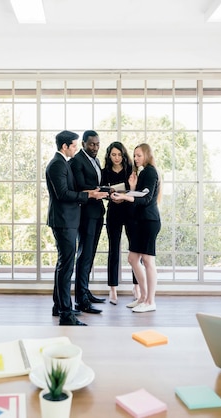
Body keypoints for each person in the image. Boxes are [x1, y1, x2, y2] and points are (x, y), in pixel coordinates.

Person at [46, 130, 107, 325]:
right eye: (74, 145)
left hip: (68, 220)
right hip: (64, 221)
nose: (76, 148)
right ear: (65, 146)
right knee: (66, 268)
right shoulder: (57, 164)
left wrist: (89, 192)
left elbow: (70, 190)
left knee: (63, 266)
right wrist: (89, 196)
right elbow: (63, 194)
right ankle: (66, 314)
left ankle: (59, 307)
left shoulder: (62, 163)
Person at [110, 143, 161, 313]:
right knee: (133, 259)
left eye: (139, 155)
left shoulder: (151, 171)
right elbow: (139, 195)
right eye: (134, 155)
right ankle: (142, 297)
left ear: (147, 155)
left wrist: (125, 196)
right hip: (141, 221)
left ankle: (150, 301)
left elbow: (145, 198)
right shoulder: (143, 172)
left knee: (147, 261)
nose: (136, 158)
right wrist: (131, 189)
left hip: (149, 221)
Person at [69, 130, 107, 314]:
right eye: (92, 144)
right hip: (85, 214)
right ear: (83, 143)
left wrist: (107, 190)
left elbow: (95, 183)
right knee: (84, 255)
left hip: (97, 212)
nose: (95, 147)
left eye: (98, 144)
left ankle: (85, 291)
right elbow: (80, 186)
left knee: (90, 254)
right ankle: (81, 300)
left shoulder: (96, 160)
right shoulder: (77, 161)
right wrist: (99, 191)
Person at [100, 141, 138, 305]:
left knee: (135, 251)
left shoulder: (131, 170)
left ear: (124, 155)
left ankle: (136, 286)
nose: (116, 158)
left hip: (130, 212)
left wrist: (129, 189)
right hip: (113, 212)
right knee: (113, 250)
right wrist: (109, 195)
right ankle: (113, 288)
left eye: (119, 154)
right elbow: (101, 191)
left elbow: (136, 192)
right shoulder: (104, 172)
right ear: (109, 155)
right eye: (113, 154)